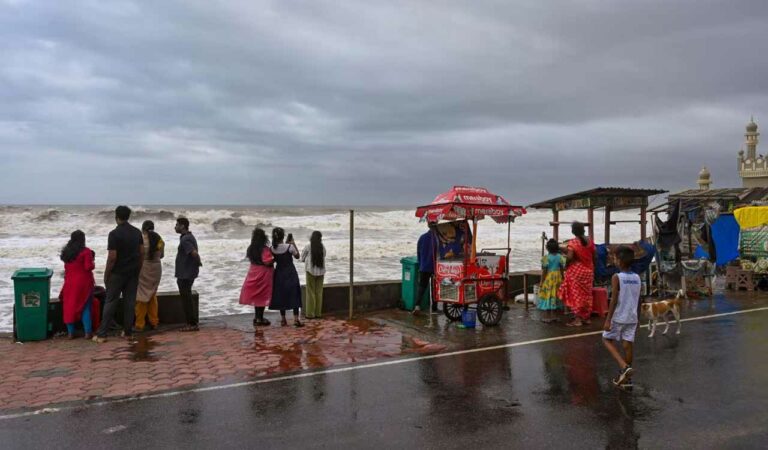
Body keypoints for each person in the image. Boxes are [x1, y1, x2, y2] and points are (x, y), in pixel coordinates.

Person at [93, 206, 144, 343]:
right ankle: (127, 333)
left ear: (116, 217)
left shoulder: (114, 234)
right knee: (129, 302)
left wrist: (106, 274)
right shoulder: (137, 232)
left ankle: (102, 334)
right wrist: (137, 270)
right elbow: (142, 253)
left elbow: (112, 257)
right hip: (132, 273)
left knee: (110, 301)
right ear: (128, 216)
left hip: (117, 273)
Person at [602, 246, 641, 388]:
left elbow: (613, 299)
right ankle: (626, 380)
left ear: (619, 260)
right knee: (627, 345)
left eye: (615, 257)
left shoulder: (617, 277)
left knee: (606, 339)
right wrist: (639, 319)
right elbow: (639, 299)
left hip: (619, 316)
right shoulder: (637, 277)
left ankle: (624, 367)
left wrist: (608, 319)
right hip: (632, 317)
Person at [59, 230, 96, 339]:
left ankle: (70, 333)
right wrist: (93, 263)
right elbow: (88, 267)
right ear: (83, 239)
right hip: (84, 283)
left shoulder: (67, 252)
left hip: (69, 282)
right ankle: (88, 332)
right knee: (85, 307)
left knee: (69, 307)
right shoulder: (86, 251)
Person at [559, 222, 596, 327]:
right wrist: (593, 268)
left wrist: (566, 264)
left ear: (573, 231)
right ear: (583, 230)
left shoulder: (573, 242)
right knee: (587, 295)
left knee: (576, 295)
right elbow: (594, 256)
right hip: (589, 271)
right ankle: (586, 318)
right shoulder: (590, 241)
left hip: (577, 272)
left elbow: (570, 257)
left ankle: (578, 319)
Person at [239, 228, 275, 327]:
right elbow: (267, 261)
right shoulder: (264, 249)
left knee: (256, 297)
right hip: (263, 274)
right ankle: (260, 318)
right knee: (262, 296)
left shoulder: (250, 248)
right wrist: (274, 259)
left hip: (253, 272)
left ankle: (257, 317)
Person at [269, 227, 303, 327]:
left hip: (279, 273)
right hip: (290, 273)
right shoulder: (289, 247)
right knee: (294, 294)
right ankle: (296, 319)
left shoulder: (272, 248)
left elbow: (273, 260)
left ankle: (283, 319)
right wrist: (293, 243)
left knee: (281, 295)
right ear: (283, 236)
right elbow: (297, 256)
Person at [135, 220, 164, 332]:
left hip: (144, 268)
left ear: (143, 229)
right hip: (156, 268)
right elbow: (162, 255)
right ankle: (154, 322)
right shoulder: (160, 240)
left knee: (141, 296)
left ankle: (140, 324)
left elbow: (139, 255)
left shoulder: (141, 240)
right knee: (152, 294)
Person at [175, 217, 202, 332]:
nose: (175, 227)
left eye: (177, 225)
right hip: (187, 272)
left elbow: (194, 253)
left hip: (185, 274)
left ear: (182, 226)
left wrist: (198, 262)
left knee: (186, 298)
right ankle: (192, 322)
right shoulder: (189, 237)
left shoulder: (185, 239)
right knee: (187, 297)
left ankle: (191, 324)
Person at [538, 239, 565, 323]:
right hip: (558, 278)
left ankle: (547, 317)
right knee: (556, 295)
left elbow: (544, 271)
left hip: (549, 278)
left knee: (548, 296)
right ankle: (554, 316)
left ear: (547, 248)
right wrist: (563, 279)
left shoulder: (546, 258)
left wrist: (541, 282)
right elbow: (562, 269)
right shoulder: (560, 257)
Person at [301, 231, 326, 319]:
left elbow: (302, 258)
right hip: (321, 271)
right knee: (319, 292)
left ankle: (310, 314)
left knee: (310, 292)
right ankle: (318, 313)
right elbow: (324, 255)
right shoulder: (322, 246)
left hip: (310, 271)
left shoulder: (308, 246)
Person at [414, 222, 437, 314]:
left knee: (422, 287)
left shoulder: (422, 237)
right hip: (434, 267)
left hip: (424, 266)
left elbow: (418, 252)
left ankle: (417, 306)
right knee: (435, 287)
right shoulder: (437, 238)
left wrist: (421, 264)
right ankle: (434, 308)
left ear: (428, 225)